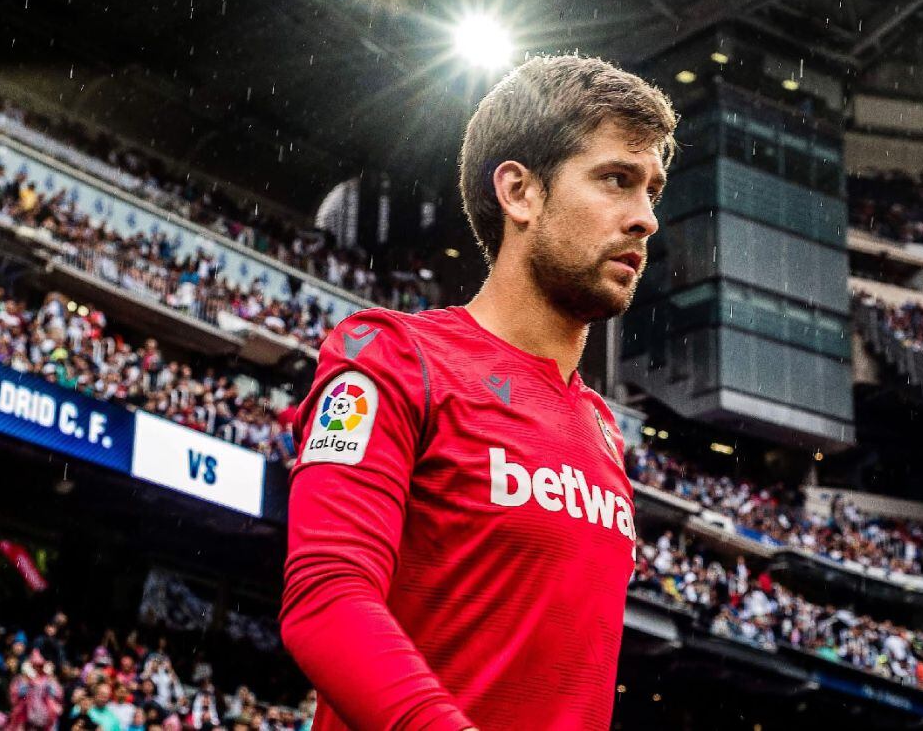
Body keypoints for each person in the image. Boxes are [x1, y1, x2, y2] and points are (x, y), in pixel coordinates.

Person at [280, 53, 676, 731]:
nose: (645, 219)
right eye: (616, 179)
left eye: (652, 191)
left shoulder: (605, 434)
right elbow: (326, 598)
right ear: (520, 192)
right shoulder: (394, 358)